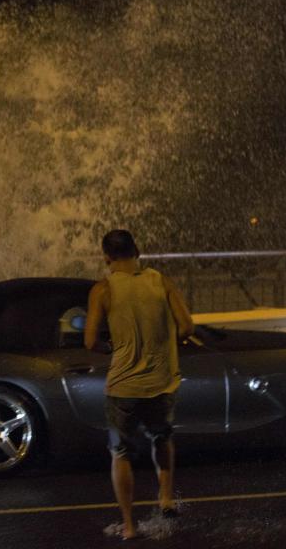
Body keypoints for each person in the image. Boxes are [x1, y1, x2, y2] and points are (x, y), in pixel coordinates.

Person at [85, 229, 194, 540]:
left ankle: (130, 526)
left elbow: (91, 340)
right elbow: (187, 325)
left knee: (120, 453)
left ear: (107, 257)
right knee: (162, 436)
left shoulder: (103, 290)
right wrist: (167, 342)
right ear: (137, 251)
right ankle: (165, 497)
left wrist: (113, 348)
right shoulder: (161, 281)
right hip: (162, 382)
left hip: (122, 387)